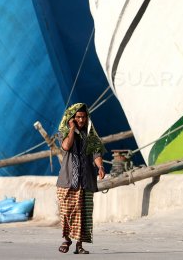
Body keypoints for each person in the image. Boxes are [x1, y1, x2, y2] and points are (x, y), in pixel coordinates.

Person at [55, 103, 106, 255]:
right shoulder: (64, 132)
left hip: (85, 181)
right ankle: (66, 240)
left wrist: (100, 167)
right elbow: (66, 146)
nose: (81, 120)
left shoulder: (90, 135)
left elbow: (96, 153)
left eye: (84, 117)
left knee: (83, 214)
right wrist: (72, 129)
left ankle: (79, 245)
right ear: (72, 118)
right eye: (78, 117)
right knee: (67, 212)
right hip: (67, 181)